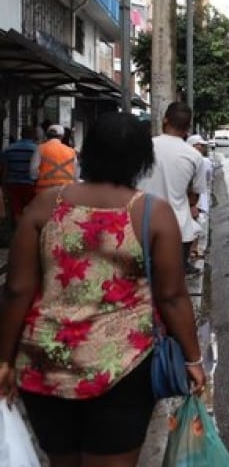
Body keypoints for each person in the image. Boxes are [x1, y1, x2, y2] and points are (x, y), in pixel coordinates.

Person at [0, 111, 206, 467]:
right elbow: (172, 296)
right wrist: (193, 359)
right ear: (142, 160)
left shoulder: (46, 205)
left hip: (44, 363)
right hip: (122, 368)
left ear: (87, 152)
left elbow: (17, 290)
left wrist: (3, 359)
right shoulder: (151, 213)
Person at [138, 103, 207, 277]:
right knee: (173, 284)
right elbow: (196, 193)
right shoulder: (194, 156)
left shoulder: (143, 146)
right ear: (188, 127)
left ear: (164, 120)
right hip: (178, 229)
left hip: (141, 224)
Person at [1, 127, 39, 227]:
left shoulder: (9, 149)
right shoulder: (37, 149)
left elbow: (5, 169)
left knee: (16, 208)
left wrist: (4, 186)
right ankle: (28, 229)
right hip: (30, 184)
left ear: (21, 135)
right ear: (33, 136)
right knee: (31, 208)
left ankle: (17, 230)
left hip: (13, 183)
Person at [186, 134, 214, 258]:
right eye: (199, 145)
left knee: (194, 224)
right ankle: (194, 250)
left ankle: (193, 250)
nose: (201, 148)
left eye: (202, 146)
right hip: (193, 199)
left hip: (194, 198)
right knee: (196, 225)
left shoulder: (203, 161)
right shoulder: (202, 161)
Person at [30, 124, 78, 192]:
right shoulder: (71, 151)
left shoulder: (40, 148)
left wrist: (36, 178)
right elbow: (75, 173)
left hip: (44, 190)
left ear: (47, 135)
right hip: (65, 190)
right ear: (62, 136)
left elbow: (33, 171)